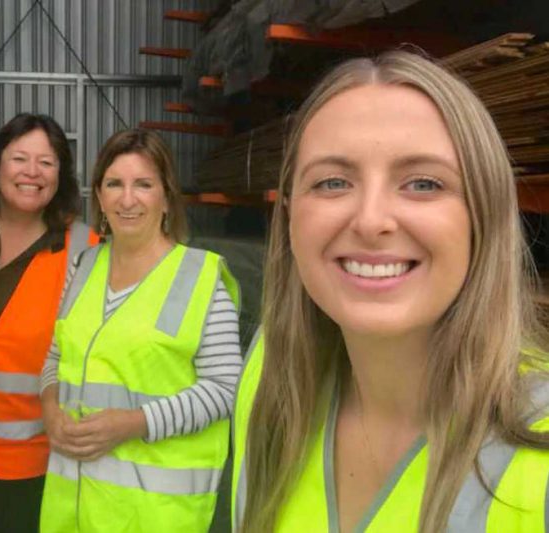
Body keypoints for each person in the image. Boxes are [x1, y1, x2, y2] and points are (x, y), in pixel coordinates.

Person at [232, 50, 549, 533]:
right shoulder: (267, 374)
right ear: (291, 215)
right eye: (333, 182)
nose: (371, 220)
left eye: (423, 183)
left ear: (482, 215)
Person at [39, 129, 243, 532]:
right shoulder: (83, 267)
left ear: (166, 197)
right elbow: (56, 356)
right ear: (98, 196)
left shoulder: (199, 276)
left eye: (144, 185)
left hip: (154, 515)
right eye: (114, 184)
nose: (127, 199)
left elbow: (225, 388)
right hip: (72, 510)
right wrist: (49, 409)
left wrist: (135, 423)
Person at [0, 113, 98, 533]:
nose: (32, 172)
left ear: (61, 174)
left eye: (46, 162)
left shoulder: (86, 249)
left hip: (31, 463)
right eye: (19, 158)